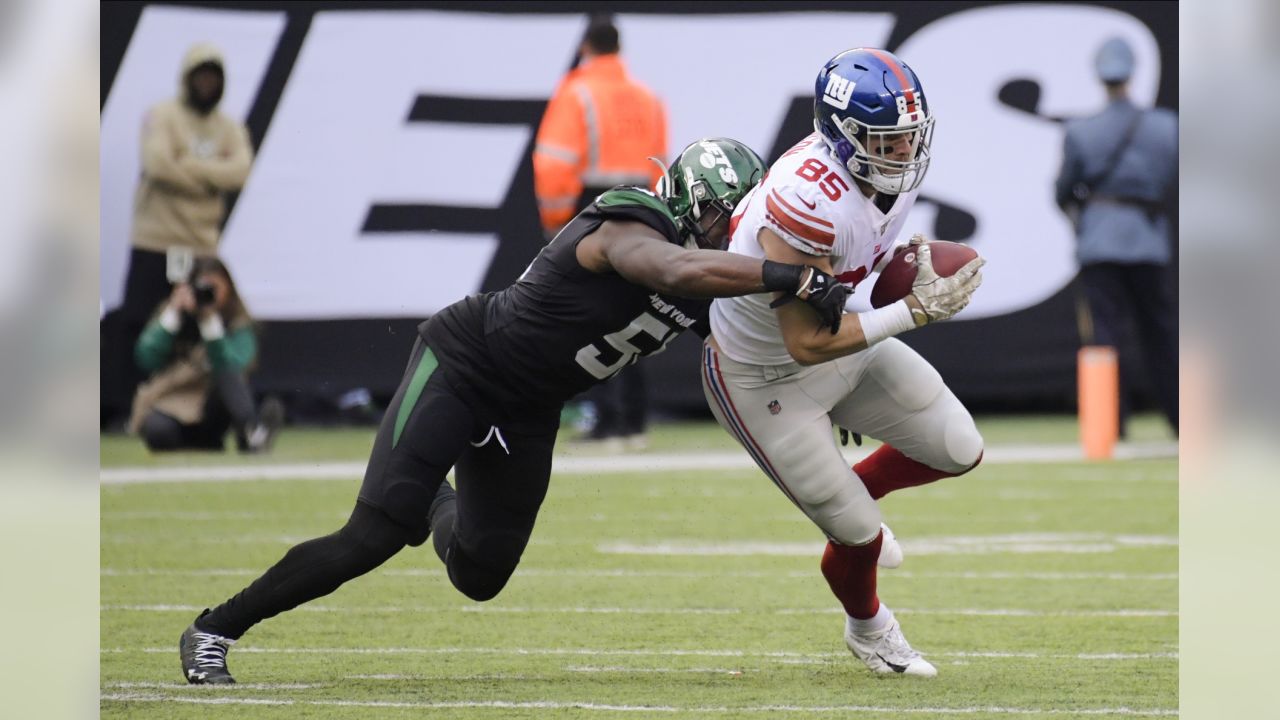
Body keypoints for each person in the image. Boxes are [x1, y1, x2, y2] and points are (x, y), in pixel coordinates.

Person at [178, 137, 854, 684]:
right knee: (372, 535)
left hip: (529, 411)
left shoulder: (714, 279)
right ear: (689, 200)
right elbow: (669, 271)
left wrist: (821, 395)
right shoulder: (629, 218)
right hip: (464, 364)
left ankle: (428, 506)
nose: (729, 235)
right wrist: (790, 274)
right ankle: (215, 629)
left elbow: (756, 355)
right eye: (721, 218)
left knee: (480, 574)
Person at [703, 49, 984, 677]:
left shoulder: (887, 179)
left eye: (909, 137)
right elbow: (805, 343)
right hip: (762, 375)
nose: (902, 153)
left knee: (959, 446)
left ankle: (848, 491)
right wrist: (913, 310)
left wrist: (905, 274)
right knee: (859, 534)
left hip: (839, 343)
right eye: (886, 142)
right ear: (842, 135)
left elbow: (860, 268)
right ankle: (871, 629)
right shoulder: (807, 198)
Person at [533, 15, 669, 450]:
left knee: (590, 314)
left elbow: (553, 164)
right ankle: (634, 421)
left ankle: (607, 420)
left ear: (587, 47)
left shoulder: (577, 92)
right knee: (634, 310)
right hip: (642, 206)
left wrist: (557, 223)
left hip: (591, 209)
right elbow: (662, 162)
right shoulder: (646, 96)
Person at [102, 42, 254, 427]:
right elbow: (157, 165)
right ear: (187, 79)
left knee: (202, 322)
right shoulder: (162, 115)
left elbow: (240, 171)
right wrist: (209, 174)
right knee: (140, 320)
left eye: (213, 78)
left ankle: (195, 409)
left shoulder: (228, 126)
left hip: (202, 245)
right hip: (156, 239)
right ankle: (121, 407)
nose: (206, 84)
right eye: (200, 76)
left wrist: (185, 163)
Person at [1055, 37, 1179, 436]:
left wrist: (1085, 220)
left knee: (1105, 334)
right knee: (1161, 332)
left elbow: (1062, 191)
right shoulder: (1166, 127)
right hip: (1149, 241)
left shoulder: (1082, 132)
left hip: (1099, 243)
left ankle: (1110, 425)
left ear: (1100, 76)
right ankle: (1180, 420)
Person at [130, 257, 282, 453]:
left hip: (215, 403)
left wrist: (210, 325)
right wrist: (173, 314)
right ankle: (201, 445)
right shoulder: (176, 318)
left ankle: (250, 432)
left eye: (214, 289)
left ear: (229, 288)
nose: (208, 295)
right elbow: (146, 358)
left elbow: (236, 365)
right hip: (175, 399)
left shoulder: (237, 323)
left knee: (228, 374)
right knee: (157, 431)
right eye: (202, 289)